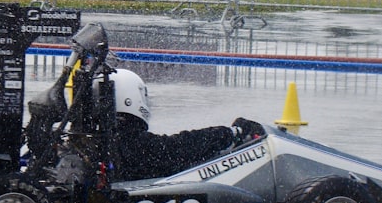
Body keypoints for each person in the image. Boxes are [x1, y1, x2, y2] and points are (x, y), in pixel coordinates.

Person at [104, 69, 264, 181]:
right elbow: (179, 147)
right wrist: (230, 133)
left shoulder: (104, 141)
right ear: (130, 98)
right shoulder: (132, 144)